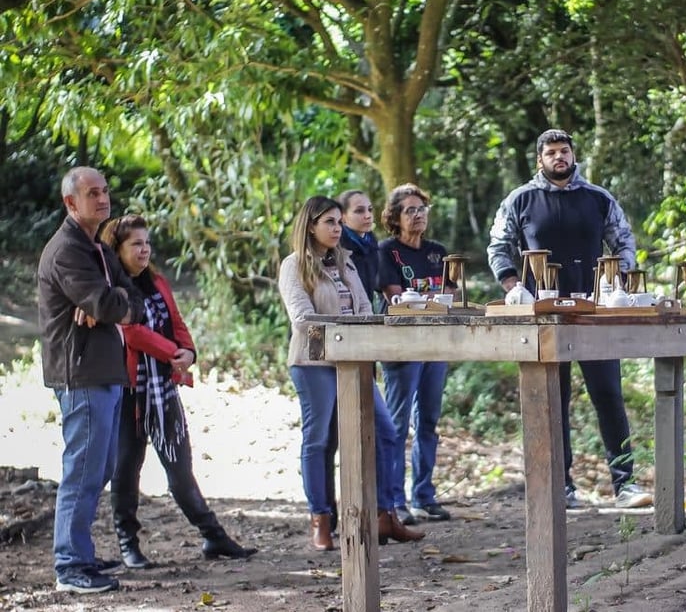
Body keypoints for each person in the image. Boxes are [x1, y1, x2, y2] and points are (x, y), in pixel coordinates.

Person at [487, 129, 653, 510]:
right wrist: (512, 284)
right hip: (543, 313)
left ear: (573, 155)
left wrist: (618, 278)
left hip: (593, 311)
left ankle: (624, 482)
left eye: (564, 151)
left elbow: (624, 240)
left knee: (609, 395)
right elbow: (498, 244)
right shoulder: (520, 199)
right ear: (539, 159)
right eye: (551, 152)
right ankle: (559, 484)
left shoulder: (598, 198)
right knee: (551, 398)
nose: (558, 157)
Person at [100, 215, 257, 568]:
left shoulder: (157, 281)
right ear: (118, 249)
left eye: (146, 242)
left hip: (164, 391)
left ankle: (213, 536)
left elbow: (177, 322)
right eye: (135, 244)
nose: (144, 250)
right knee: (126, 469)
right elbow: (133, 333)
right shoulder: (115, 290)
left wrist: (189, 353)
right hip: (130, 392)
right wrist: (173, 354)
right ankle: (129, 545)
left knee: (180, 469)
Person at [279, 196, 422, 548]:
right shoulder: (294, 265)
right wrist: (348, 328)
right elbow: (302, 319)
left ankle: (383, 514)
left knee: (387, 432)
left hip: (355, 361)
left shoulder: (346, 262)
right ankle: (321, 519)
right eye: (329, 222)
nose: (336, 229)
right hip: (314, 363)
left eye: (338, 223)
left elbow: (363, 308)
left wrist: (358, 329)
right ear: (310, 225)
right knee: (321, 440)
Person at [37, 167, 144, 594]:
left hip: (105, 371)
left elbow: (132, 299)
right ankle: (69, 565)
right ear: (70, 203)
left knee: (99, 467)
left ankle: (79, 551)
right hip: (80, 374)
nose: (103, 199)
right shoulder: (67, 250)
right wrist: (107, 304)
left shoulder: (96, 247)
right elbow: (107, 300)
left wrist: (111, 304)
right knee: (82, 469)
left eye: (104, 191)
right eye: (92, 193)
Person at [377, 184, 454, 524]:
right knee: (396, 424)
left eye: (422, 208)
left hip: (437, 342)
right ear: (394, 217)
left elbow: (452, 292)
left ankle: (423, 494)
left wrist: (430, 297)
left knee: (429, 420)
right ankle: (394, 500)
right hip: (402, 344)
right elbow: (397, 298)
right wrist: (432, 297)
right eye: (410, 210)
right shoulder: (386, 251)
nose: (419, 214)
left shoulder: (438, 251)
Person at [338, 189, 383, 313]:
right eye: (359, 211)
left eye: (370, 209)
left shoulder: (372, 245)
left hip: (364, 316)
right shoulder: (336, 246)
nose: (368, 215)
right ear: (342, 216)